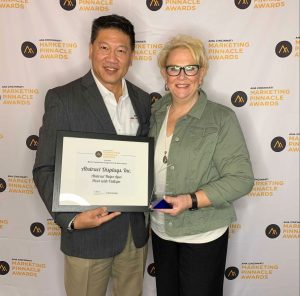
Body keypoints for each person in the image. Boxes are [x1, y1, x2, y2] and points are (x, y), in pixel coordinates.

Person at [33, 14, 150, 296]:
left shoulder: (144, 100)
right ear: (90, 49)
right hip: (86, 237)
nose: (112, 58)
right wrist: (72, 219)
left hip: (133, 239)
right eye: (104, 47)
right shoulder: (63, 99)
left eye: (121, 50)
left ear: (131, 56)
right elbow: (44, 168)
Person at [149, 34, 254, 296]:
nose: (181, 76)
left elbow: (241, 178)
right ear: (165, 73)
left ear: (202, 72)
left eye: (190, 68)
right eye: (174, 68)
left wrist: (189, 200)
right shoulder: (154, 113)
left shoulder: (221, 119)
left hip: (202, 236)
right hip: (161, 231)